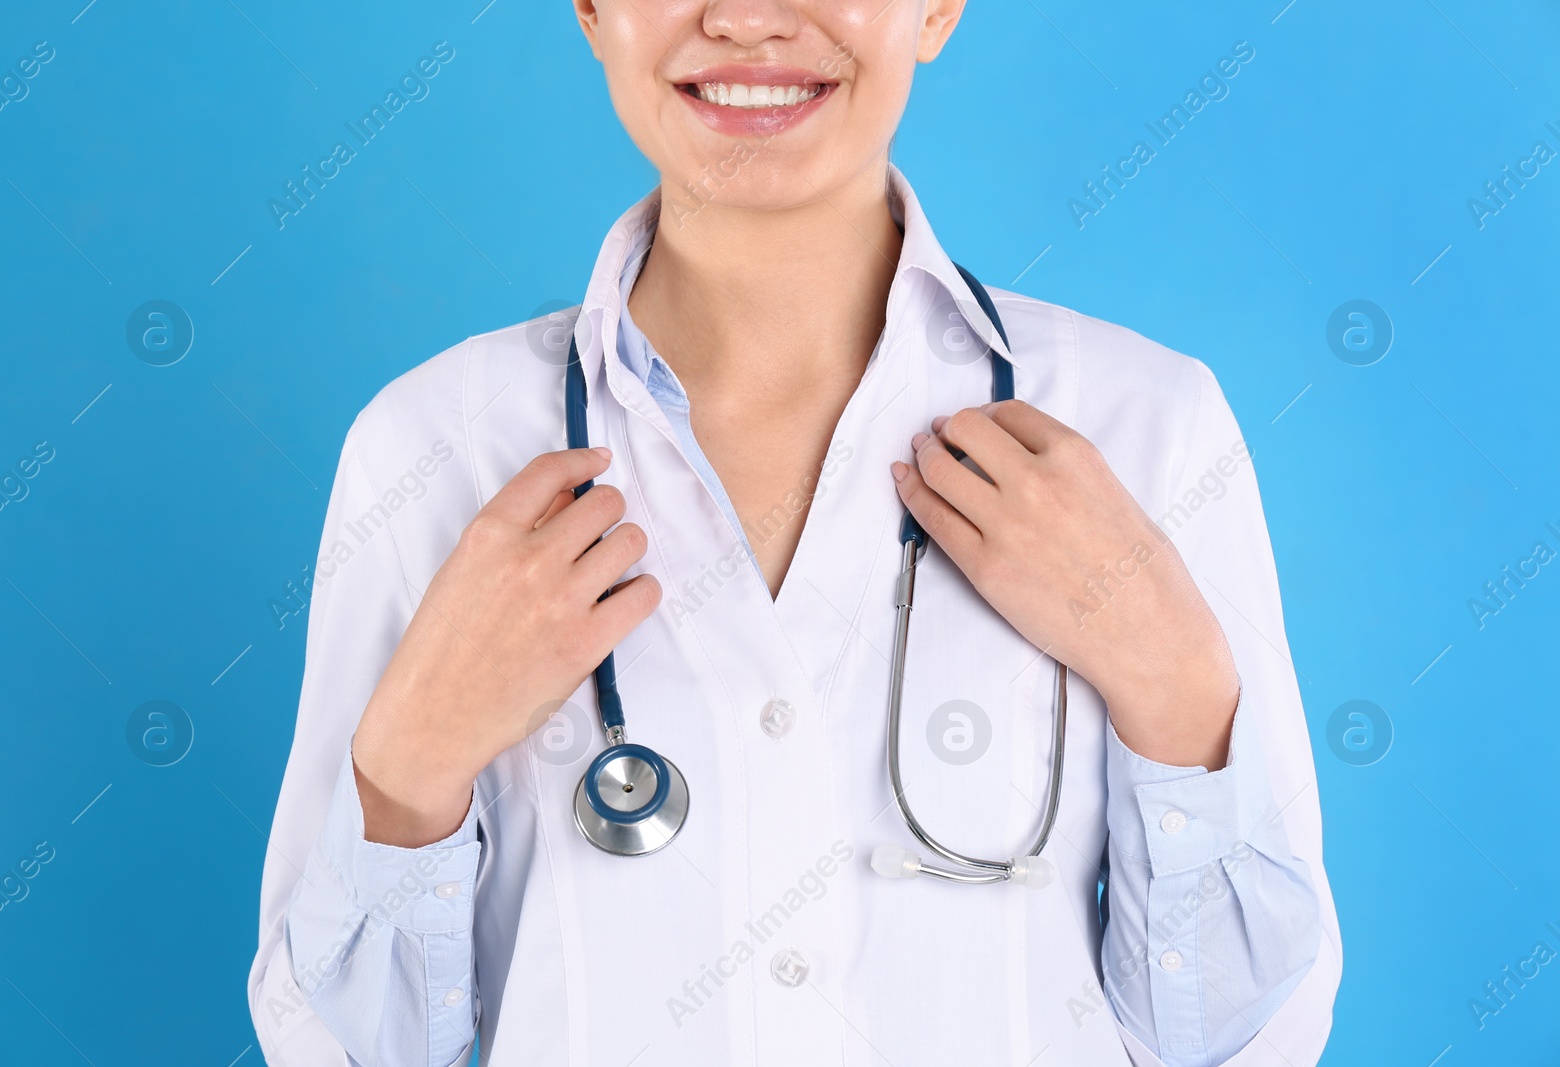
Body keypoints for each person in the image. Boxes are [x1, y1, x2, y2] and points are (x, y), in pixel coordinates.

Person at [247, 1, 1340, 1064]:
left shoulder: (1145, 425)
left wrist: (1178, 687)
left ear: (937, 10)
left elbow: (1242, 1042)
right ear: (588, 10)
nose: (747, 20)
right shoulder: (435, 449)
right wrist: (408, 770)